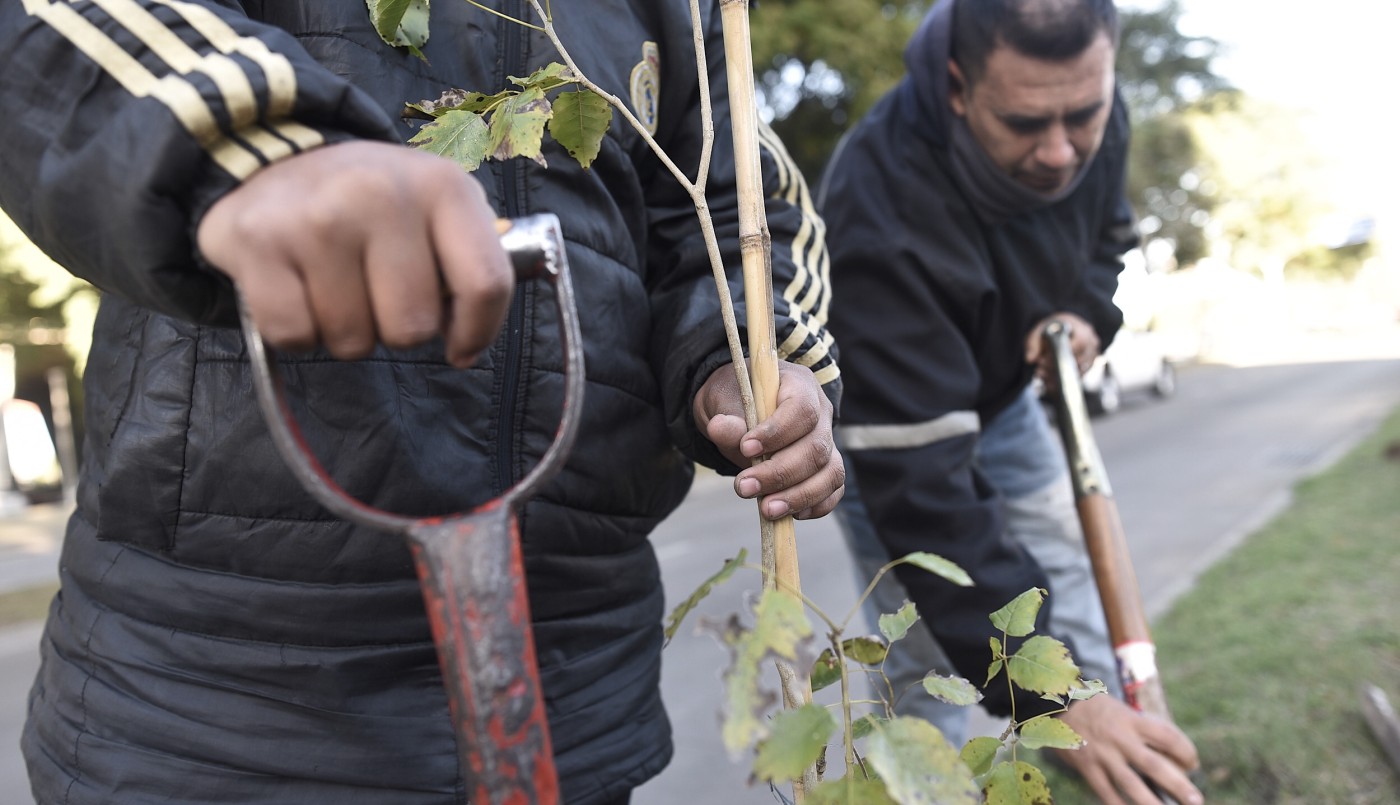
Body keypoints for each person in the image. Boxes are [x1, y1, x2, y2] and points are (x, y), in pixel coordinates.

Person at [0, 2, 845, 803]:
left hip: (574, 694)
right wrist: (258, 144)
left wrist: (750, 357)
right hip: (217, 707)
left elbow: (733, 203)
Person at [820, 0, 1203, 803]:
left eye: (1084, 115)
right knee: (927, 671)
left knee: (1080, 604)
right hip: (901, 438)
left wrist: (1087, 311)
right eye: (1027, 122)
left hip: (1008, 409)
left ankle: (1139, 776)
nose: (1062, 151)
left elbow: (1108, 237)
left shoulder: (1091, 106)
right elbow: (930, 500)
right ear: (959, 88)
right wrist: (1049, 696)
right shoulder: (878, 201)